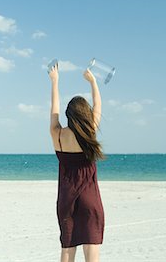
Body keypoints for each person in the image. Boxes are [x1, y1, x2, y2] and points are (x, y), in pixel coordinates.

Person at [48, 63, 105, 262]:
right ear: (85, 115)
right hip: (89, 199)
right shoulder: (89, 132)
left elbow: (54, 111)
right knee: (92, 251)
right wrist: (93, 82)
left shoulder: (58, 135)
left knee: (67, 249)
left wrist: (55, 81)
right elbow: (98, 105)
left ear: (68, 116)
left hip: (66, 199)